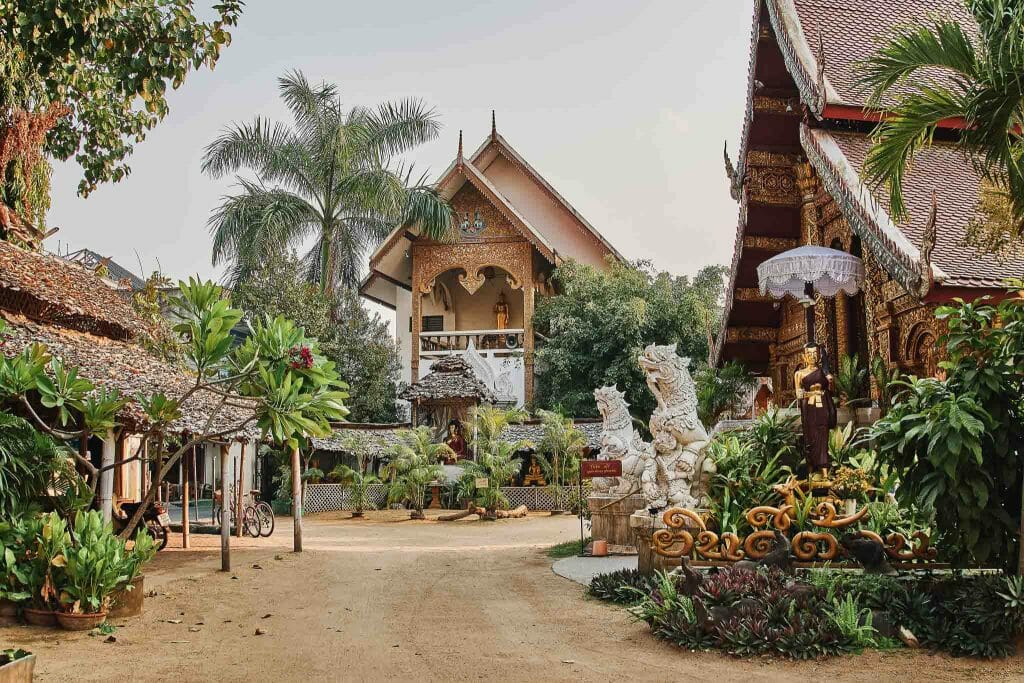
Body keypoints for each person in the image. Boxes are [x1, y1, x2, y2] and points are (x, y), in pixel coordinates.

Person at [793, 343, 836, 481]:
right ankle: (810, 471)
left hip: (822, 408)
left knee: (823, 438)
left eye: (815, 354)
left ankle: (824, 473)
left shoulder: (824, 372)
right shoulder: (799, 374)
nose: (812, 356)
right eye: (809, 354)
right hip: (809, 410)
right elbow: (799, 395)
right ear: (804, 356)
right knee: (810, 438)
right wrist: (811, 393)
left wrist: (830, 381)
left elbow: (832, 390)